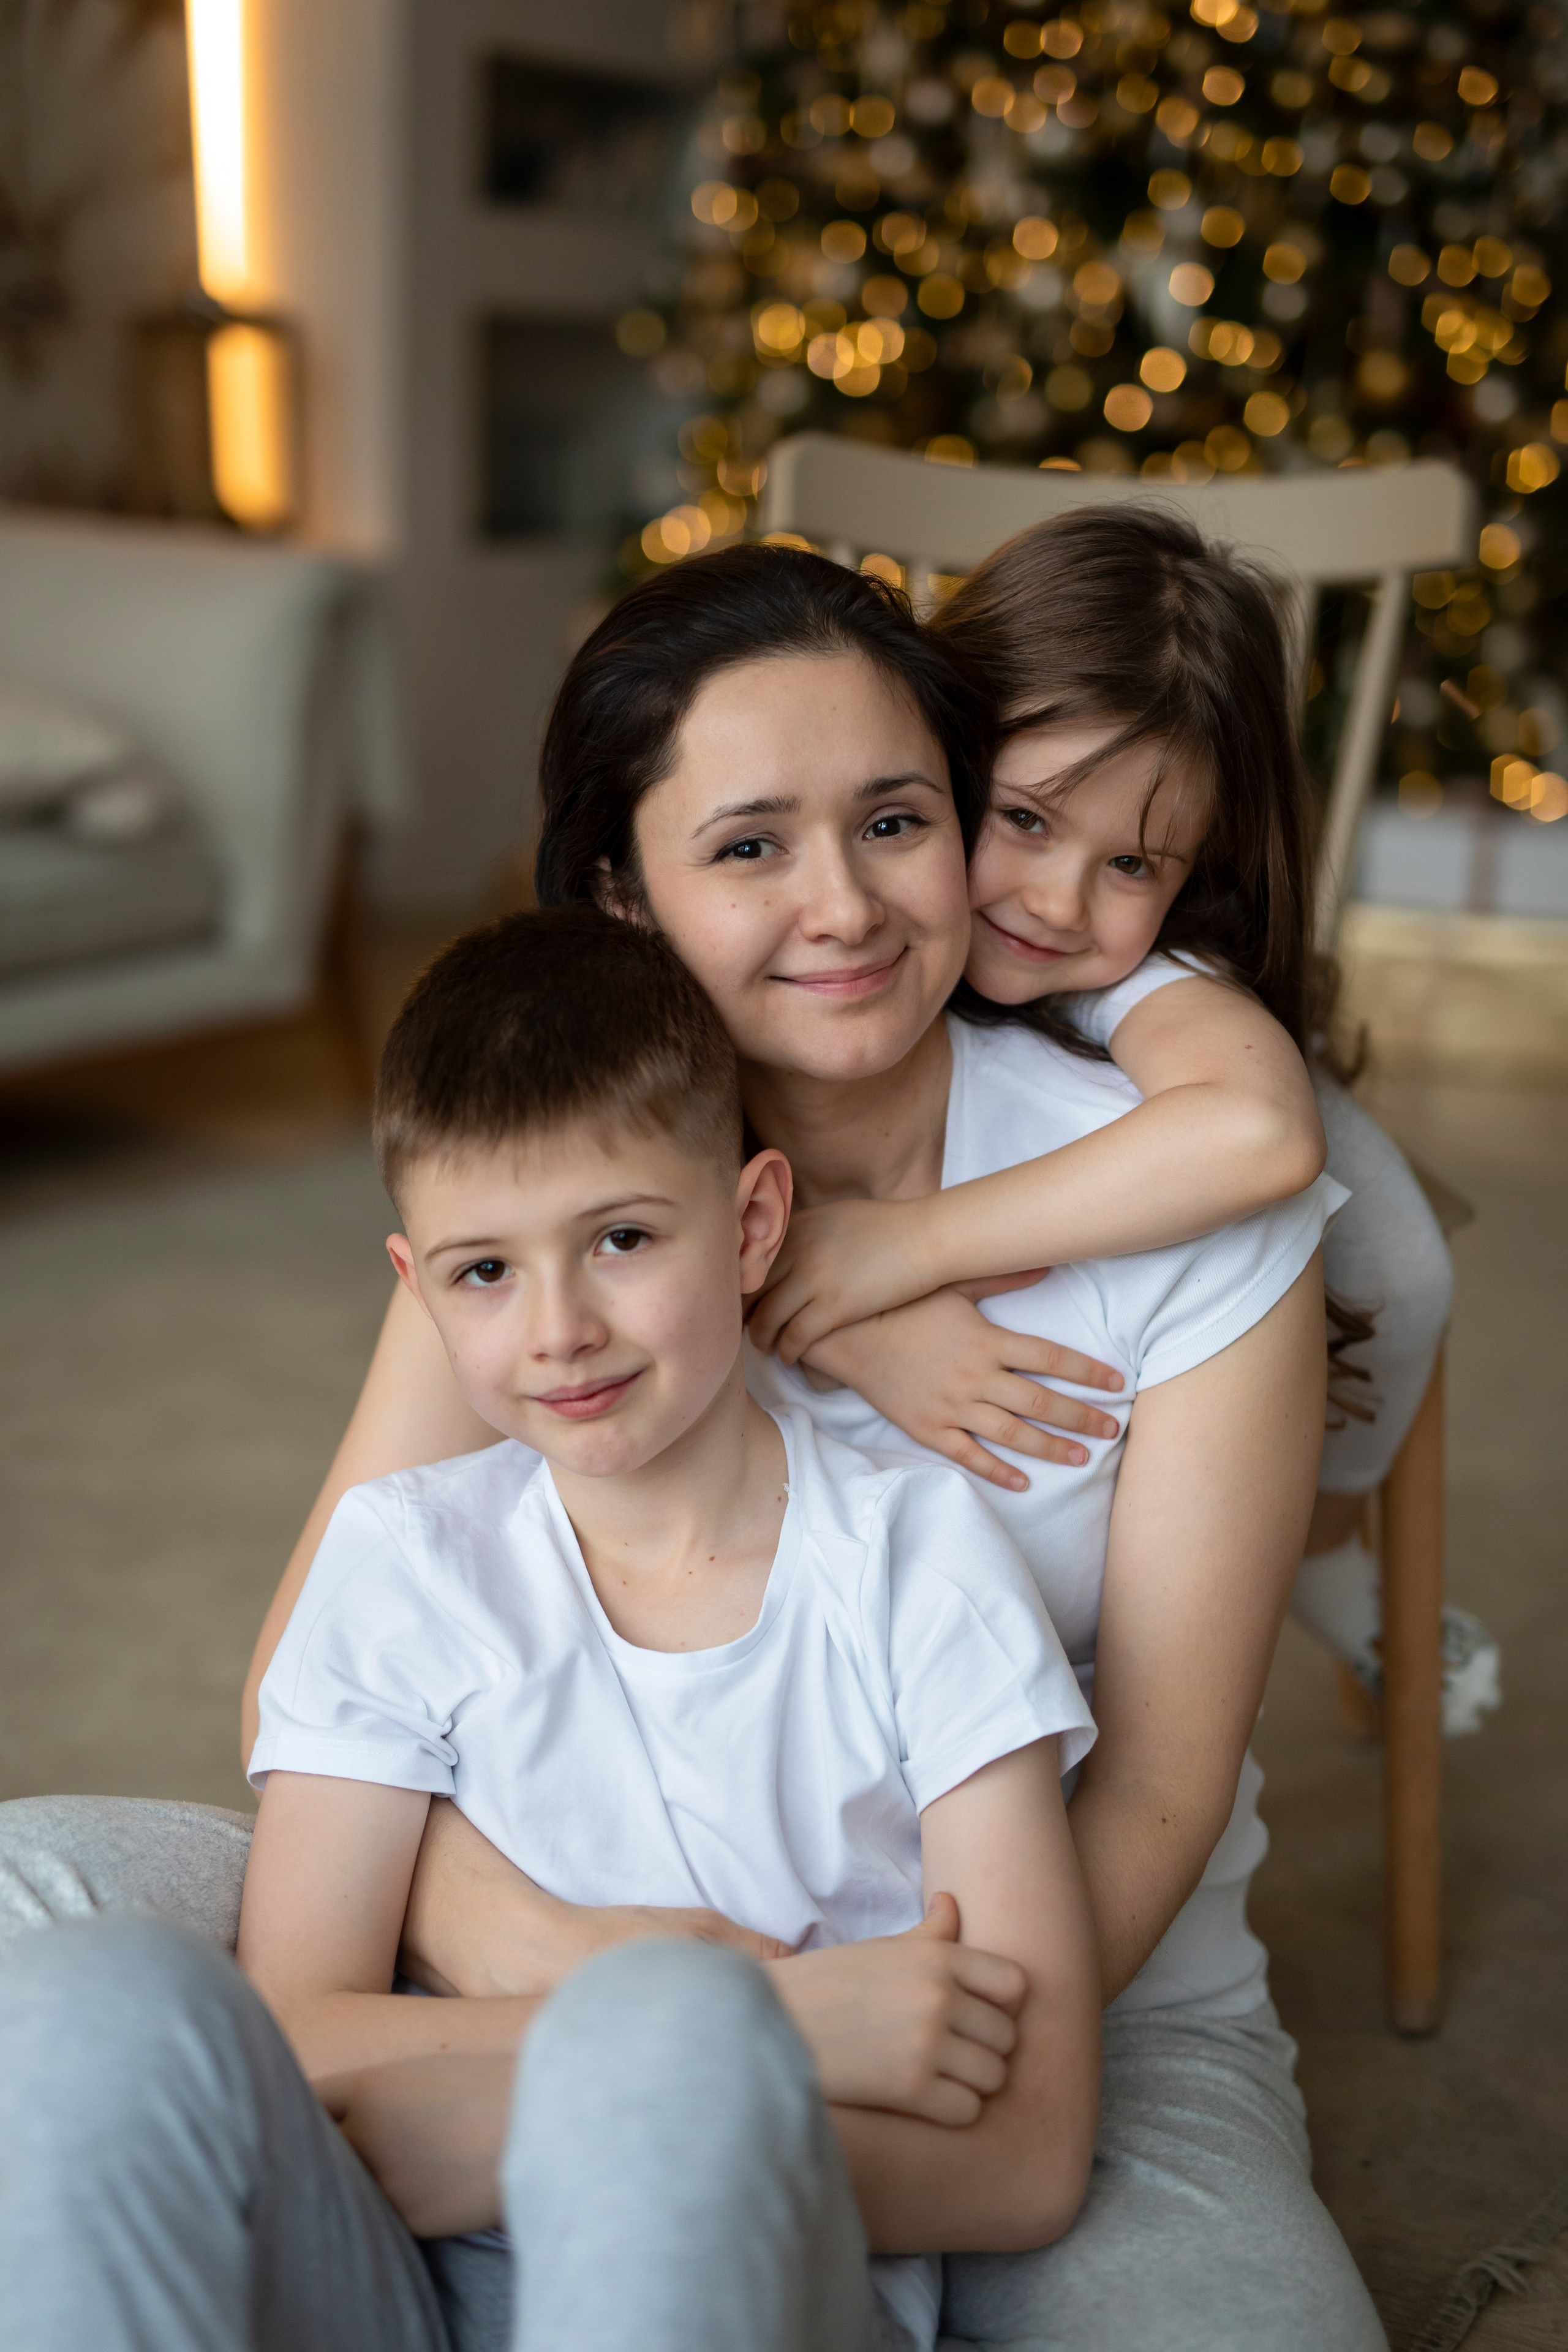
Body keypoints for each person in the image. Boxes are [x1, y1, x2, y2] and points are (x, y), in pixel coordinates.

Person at [0, 541, 1386, 2350]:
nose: (847, 910)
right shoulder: (556, 1189)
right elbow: (315, 1684)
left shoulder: (1174, 1198)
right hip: (553, 1915)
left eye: (894, 823)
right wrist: (592, 1980)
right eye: (747, 846)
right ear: (623, 892)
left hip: (1033, 1984)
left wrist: (821, 2068)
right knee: (43, 1925)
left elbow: (1149, 1794)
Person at [0, 907, 1101, 2352]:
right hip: (388, 2273)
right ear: (416, 1289)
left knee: (665, 2041)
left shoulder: (916, 1566)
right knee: (85, 2000)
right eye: (484, 1273)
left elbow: (1024, 2154)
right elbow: (301, 2023)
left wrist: (655, 2067)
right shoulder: (403, 1562)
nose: (558, 1330)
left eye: (623, 1239)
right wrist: (787, 2024)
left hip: (727, 2277)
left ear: (753, 1222)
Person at [744, 508, 1498, 1736]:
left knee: (1398, 1260)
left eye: (1133, 863)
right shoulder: (817, 928)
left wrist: (909, 1244)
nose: (1054, 900)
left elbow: (1259, 1135)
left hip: (1194, 1074)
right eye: (1025, 818)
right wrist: (859, 1337)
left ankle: (1315, 1542)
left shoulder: (1129, 969)